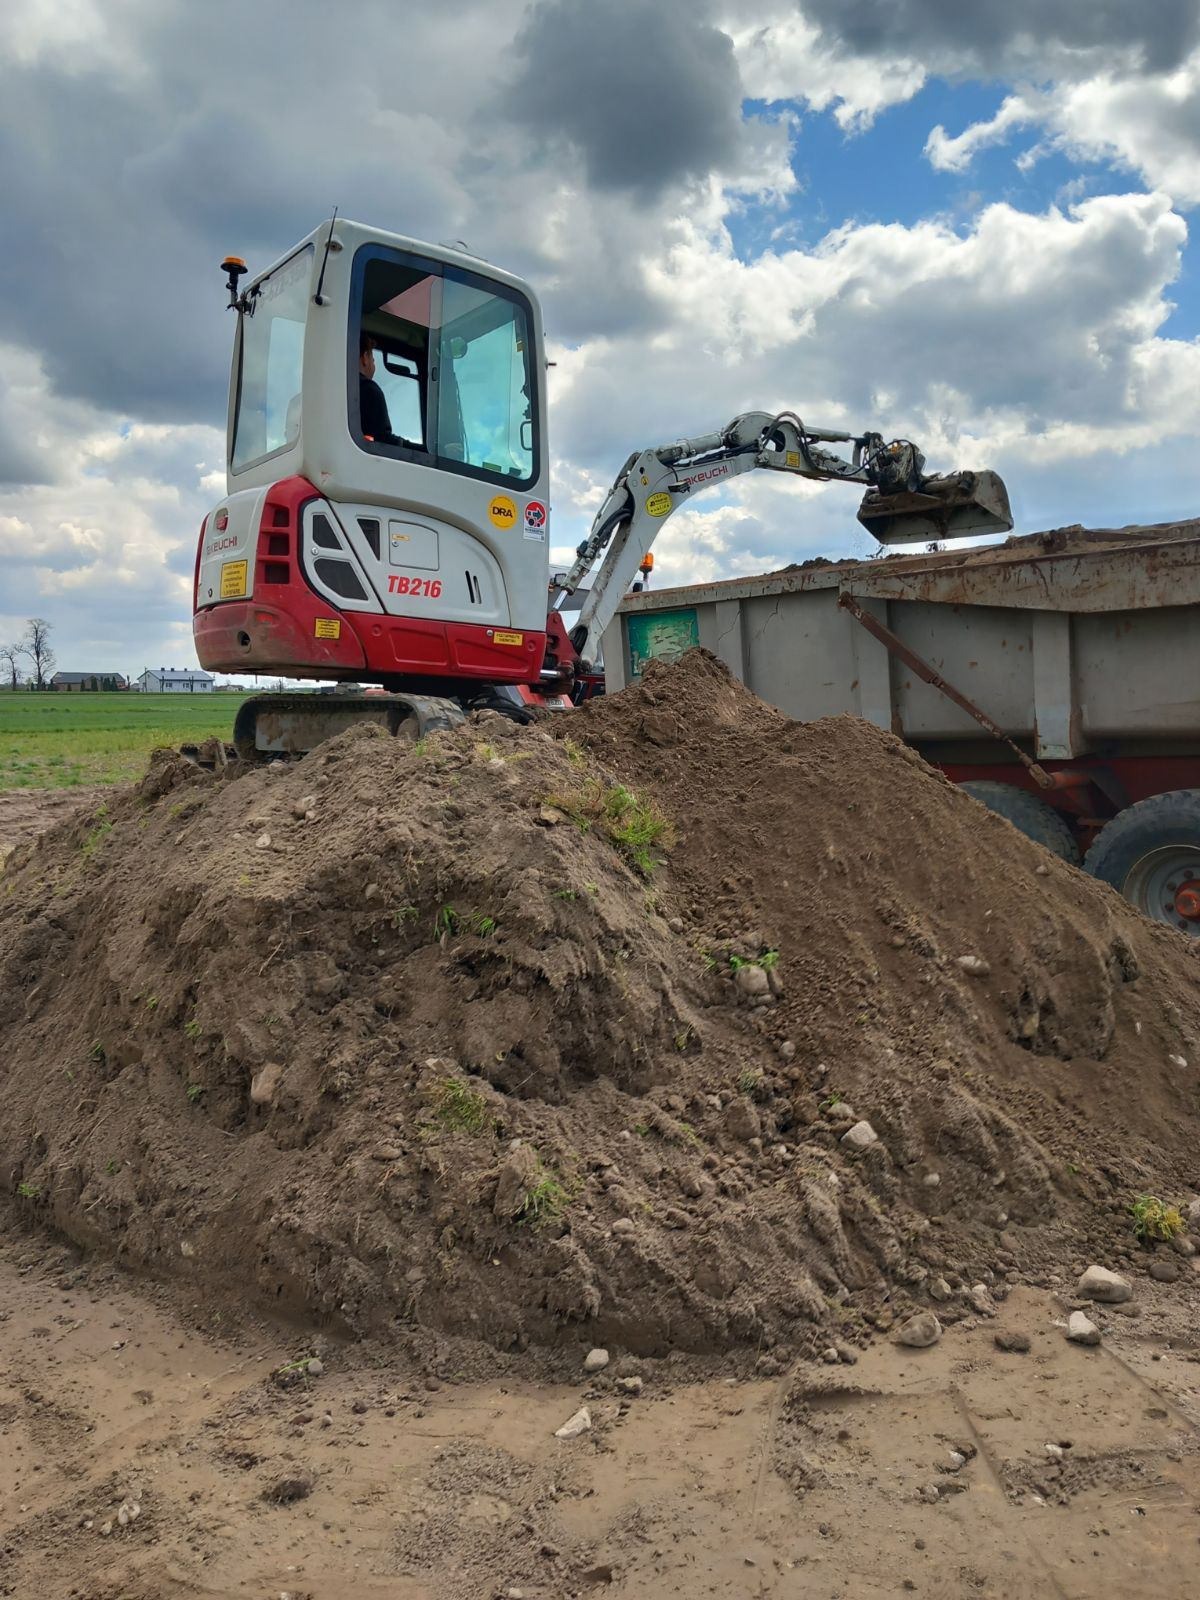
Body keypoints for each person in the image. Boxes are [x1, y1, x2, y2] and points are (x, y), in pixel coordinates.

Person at [359, 332, 403, 446]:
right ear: (365, 358)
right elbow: (384, 441)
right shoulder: (369, 390)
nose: (374, 363)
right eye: (372, 358)